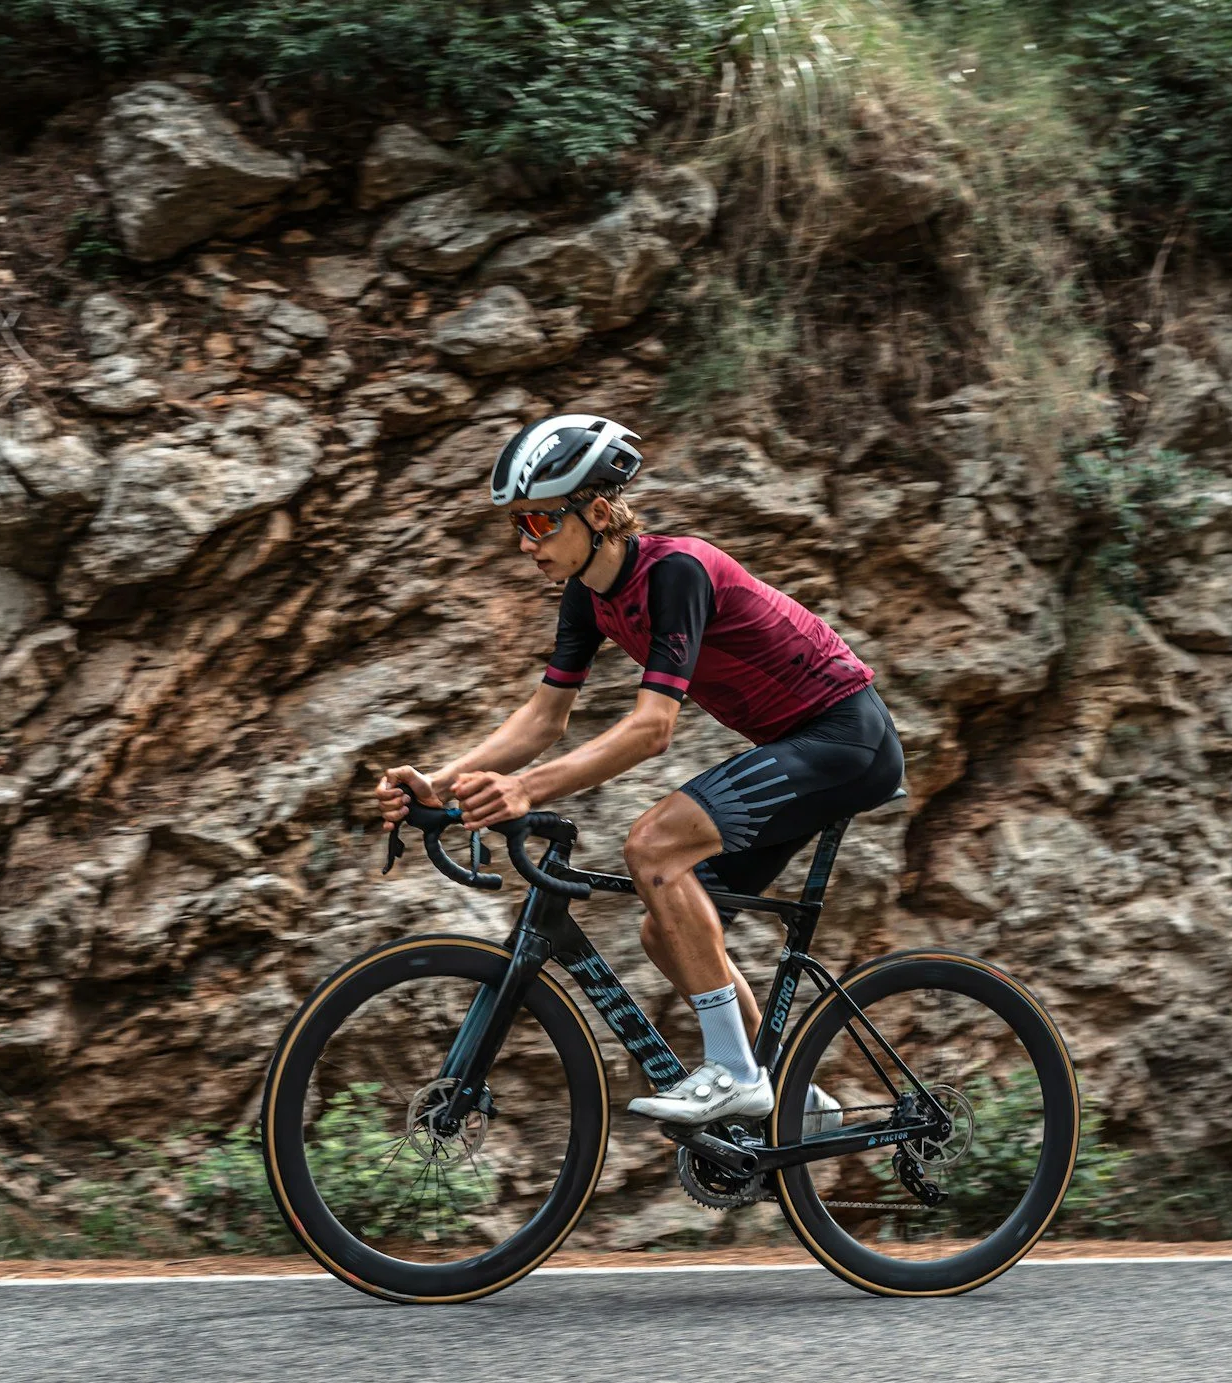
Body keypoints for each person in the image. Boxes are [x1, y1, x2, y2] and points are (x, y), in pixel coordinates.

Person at [374, 414, 906, 1126]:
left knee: (652, 846)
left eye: (537, 520)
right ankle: (788, 1104)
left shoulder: (675, 572)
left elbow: (654, 728)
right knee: (669, 925)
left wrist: (525, 789)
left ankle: (734, 1073)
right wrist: (437, 784)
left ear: (596, 512)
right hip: (797, 743)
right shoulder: (586, 597)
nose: (525, 542)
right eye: (517, 525)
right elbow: (542, 720)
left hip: (846, 736)